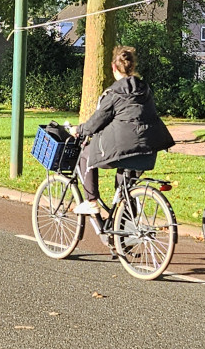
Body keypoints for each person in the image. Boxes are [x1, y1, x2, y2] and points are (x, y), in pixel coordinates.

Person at [66, 47, 175, 220]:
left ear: (113, 67)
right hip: (148, 150)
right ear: (132, 66)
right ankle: (125, 233)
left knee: (86, 154)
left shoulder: (113, 93)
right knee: (125, 187)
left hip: (125, 149)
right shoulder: (145, 90)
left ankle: (92, 202)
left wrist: (78, 130)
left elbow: (96, 121)